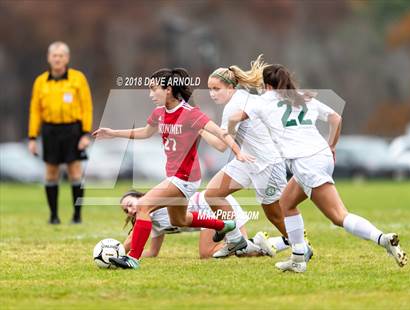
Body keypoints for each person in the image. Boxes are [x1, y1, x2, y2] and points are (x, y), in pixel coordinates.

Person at [229, 63, 407, 273]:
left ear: (268, 86)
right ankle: (297, 258)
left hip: (305, 162)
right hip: (322, 155)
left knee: (338, 216)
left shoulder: (264, 100)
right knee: (287, 202)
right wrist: (332, 145)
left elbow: (234, 118)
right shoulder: (303, 97)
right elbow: (336, 119)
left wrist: (232, 136)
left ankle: (382, 239)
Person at [92, 68, 253, 269]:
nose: (151, 95)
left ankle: (133, 258)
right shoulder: (159, 113)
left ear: (168, 89)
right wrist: (114, 133)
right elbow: (145, 132)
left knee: (143, 206)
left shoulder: (190, 114)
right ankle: (224, 225)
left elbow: (221, 134)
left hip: (184, 178)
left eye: (153, 89)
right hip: (175, 177)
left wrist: (237, 152)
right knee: (180, 220)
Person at [204, 56, 312, 260]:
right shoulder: (244, 96)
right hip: (246, 161)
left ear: (230, 86)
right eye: (209, 89)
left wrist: (199, 129)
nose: (212, 94)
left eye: (216, 88)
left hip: (267, 165)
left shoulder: (232, 108)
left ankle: (303, 247)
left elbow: (220, 146)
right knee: (212, 194)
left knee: (275, 215)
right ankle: (236, 239)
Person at [28, 41, 93, 224]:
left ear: (67, 58)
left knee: (75, 172)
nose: (57, 59)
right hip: (50, 130)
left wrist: (85, 134)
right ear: (49, 58)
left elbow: (87, 107)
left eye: (61, 55)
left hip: (72, 129)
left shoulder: (77, 78)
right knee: (51, 172)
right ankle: (54, 216)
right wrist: (32, 137)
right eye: (54, 55)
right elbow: (35, 110)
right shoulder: (40, 81)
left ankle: (77, 216)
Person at [119, 189, 283, 258]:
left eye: (130, 203)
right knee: (242, 252)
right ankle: (281, 242)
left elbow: (130, 241)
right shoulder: (150, 220)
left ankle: (254, 242)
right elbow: (153, 252)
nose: (130, 210)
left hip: (210, 206)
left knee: (206, 253)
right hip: (217, 204)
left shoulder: (151, 205)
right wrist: (126, 255)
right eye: (126, 210)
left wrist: (115, 253)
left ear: (140, 197)